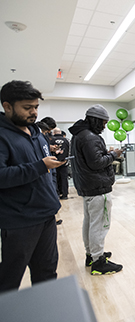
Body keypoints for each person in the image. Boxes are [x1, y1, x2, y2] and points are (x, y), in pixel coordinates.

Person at [0, 80, 65, 292]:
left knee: (47, 273)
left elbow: (42, 164)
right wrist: (39, 165)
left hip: (47, 214)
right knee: (10, 278)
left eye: (36, 107)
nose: (34, 112)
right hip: (20, 221)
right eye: (27, 108)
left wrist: (49, 157)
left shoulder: (37, 132)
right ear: (7, 106)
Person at [69, 104, 123, 275]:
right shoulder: (90, 137)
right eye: (104, 123)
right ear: (96, 120)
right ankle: (98, 261)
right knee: (99, 225)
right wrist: (114, 155)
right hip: (98, 187)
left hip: (87, 186)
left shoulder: (79, 135)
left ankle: (91, 254)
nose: (105, 126)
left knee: (90, 222)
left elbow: (91, 159)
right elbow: (97, 163)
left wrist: (105, 154)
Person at [52, 128, 70, 200]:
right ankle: (65, 194)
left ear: (54, 133)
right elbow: (70, 151)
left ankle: (57, 194)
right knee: (64, 179)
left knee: (55, 179)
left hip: (53, 163)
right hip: (64, 162)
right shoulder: (67, 140)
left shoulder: (51, 140)